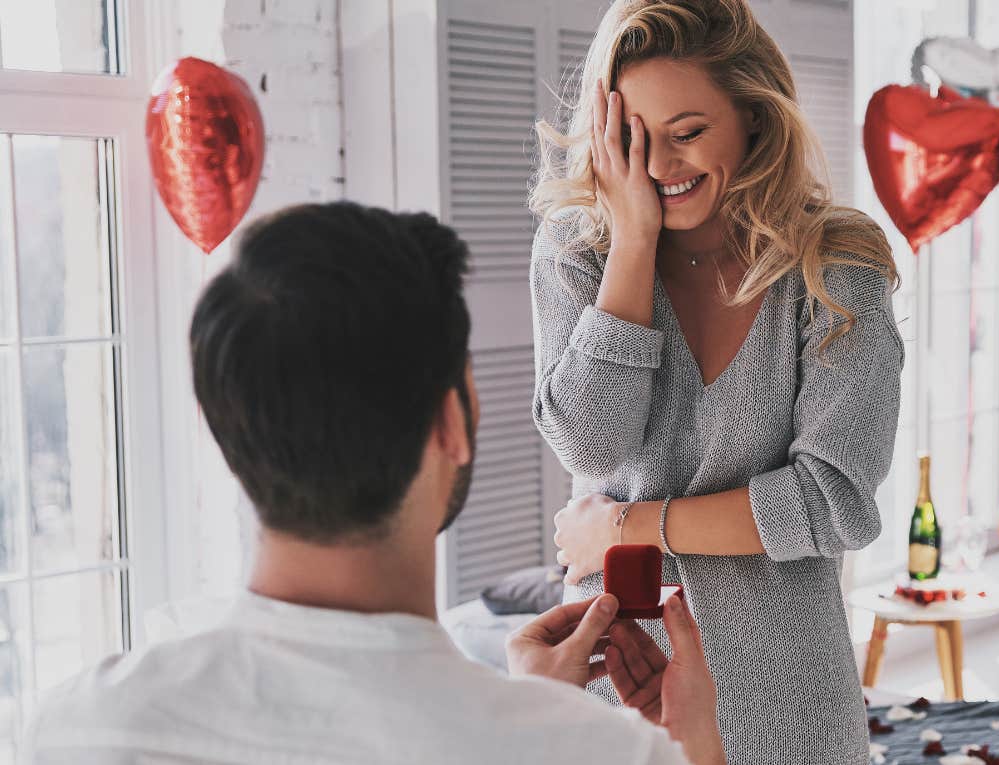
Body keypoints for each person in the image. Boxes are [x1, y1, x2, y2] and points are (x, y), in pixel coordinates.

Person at [23, 202, 725, 765]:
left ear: (229, 429)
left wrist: (525, 709)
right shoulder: (605, 751)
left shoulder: (72, 731)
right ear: (453, 420)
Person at [528, 0, 904, 762]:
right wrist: (632, 244)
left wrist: (628, 527)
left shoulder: (837, 267)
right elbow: (591, 444)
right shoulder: (578, 250)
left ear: (754, 116)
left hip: (791, 698)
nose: (660, 167)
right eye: (632, 138)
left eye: (688, 133)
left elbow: (833, 502)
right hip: (616, 689)